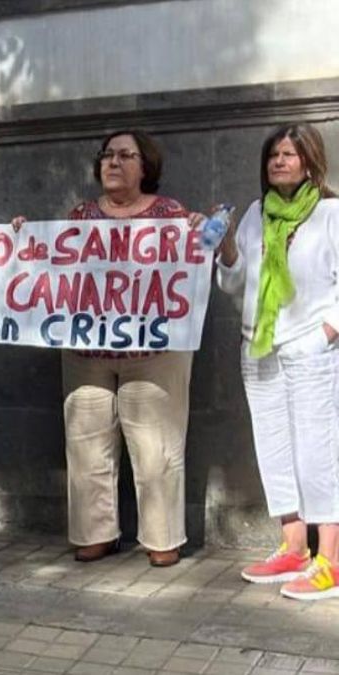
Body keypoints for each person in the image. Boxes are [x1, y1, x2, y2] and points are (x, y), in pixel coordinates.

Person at [12, 130, 198, 567]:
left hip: (153, 353)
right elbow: (53, 267)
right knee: (86, 442)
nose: (113, 162)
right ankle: (94, 533)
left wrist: (199, 234)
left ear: (145, 166)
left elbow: (196, 265)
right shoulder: (80, 215)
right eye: (107, 155)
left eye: (125, 155)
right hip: (87, 353)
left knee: (156, 449)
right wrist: (25, 240)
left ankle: (162, 537)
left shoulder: (171, 214)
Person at [217, 123, 339, 600]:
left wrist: (326, 334)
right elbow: (234, 282)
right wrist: (226, 244)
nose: (280, 162)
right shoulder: (255, 214)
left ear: (310, 161)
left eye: (290, 154)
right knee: (273, 449)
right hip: (259, 347)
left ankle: (330, 557)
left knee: (317, 452)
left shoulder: (331, 213)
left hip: (310, 348)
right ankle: (294, 547)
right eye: (273, 155)